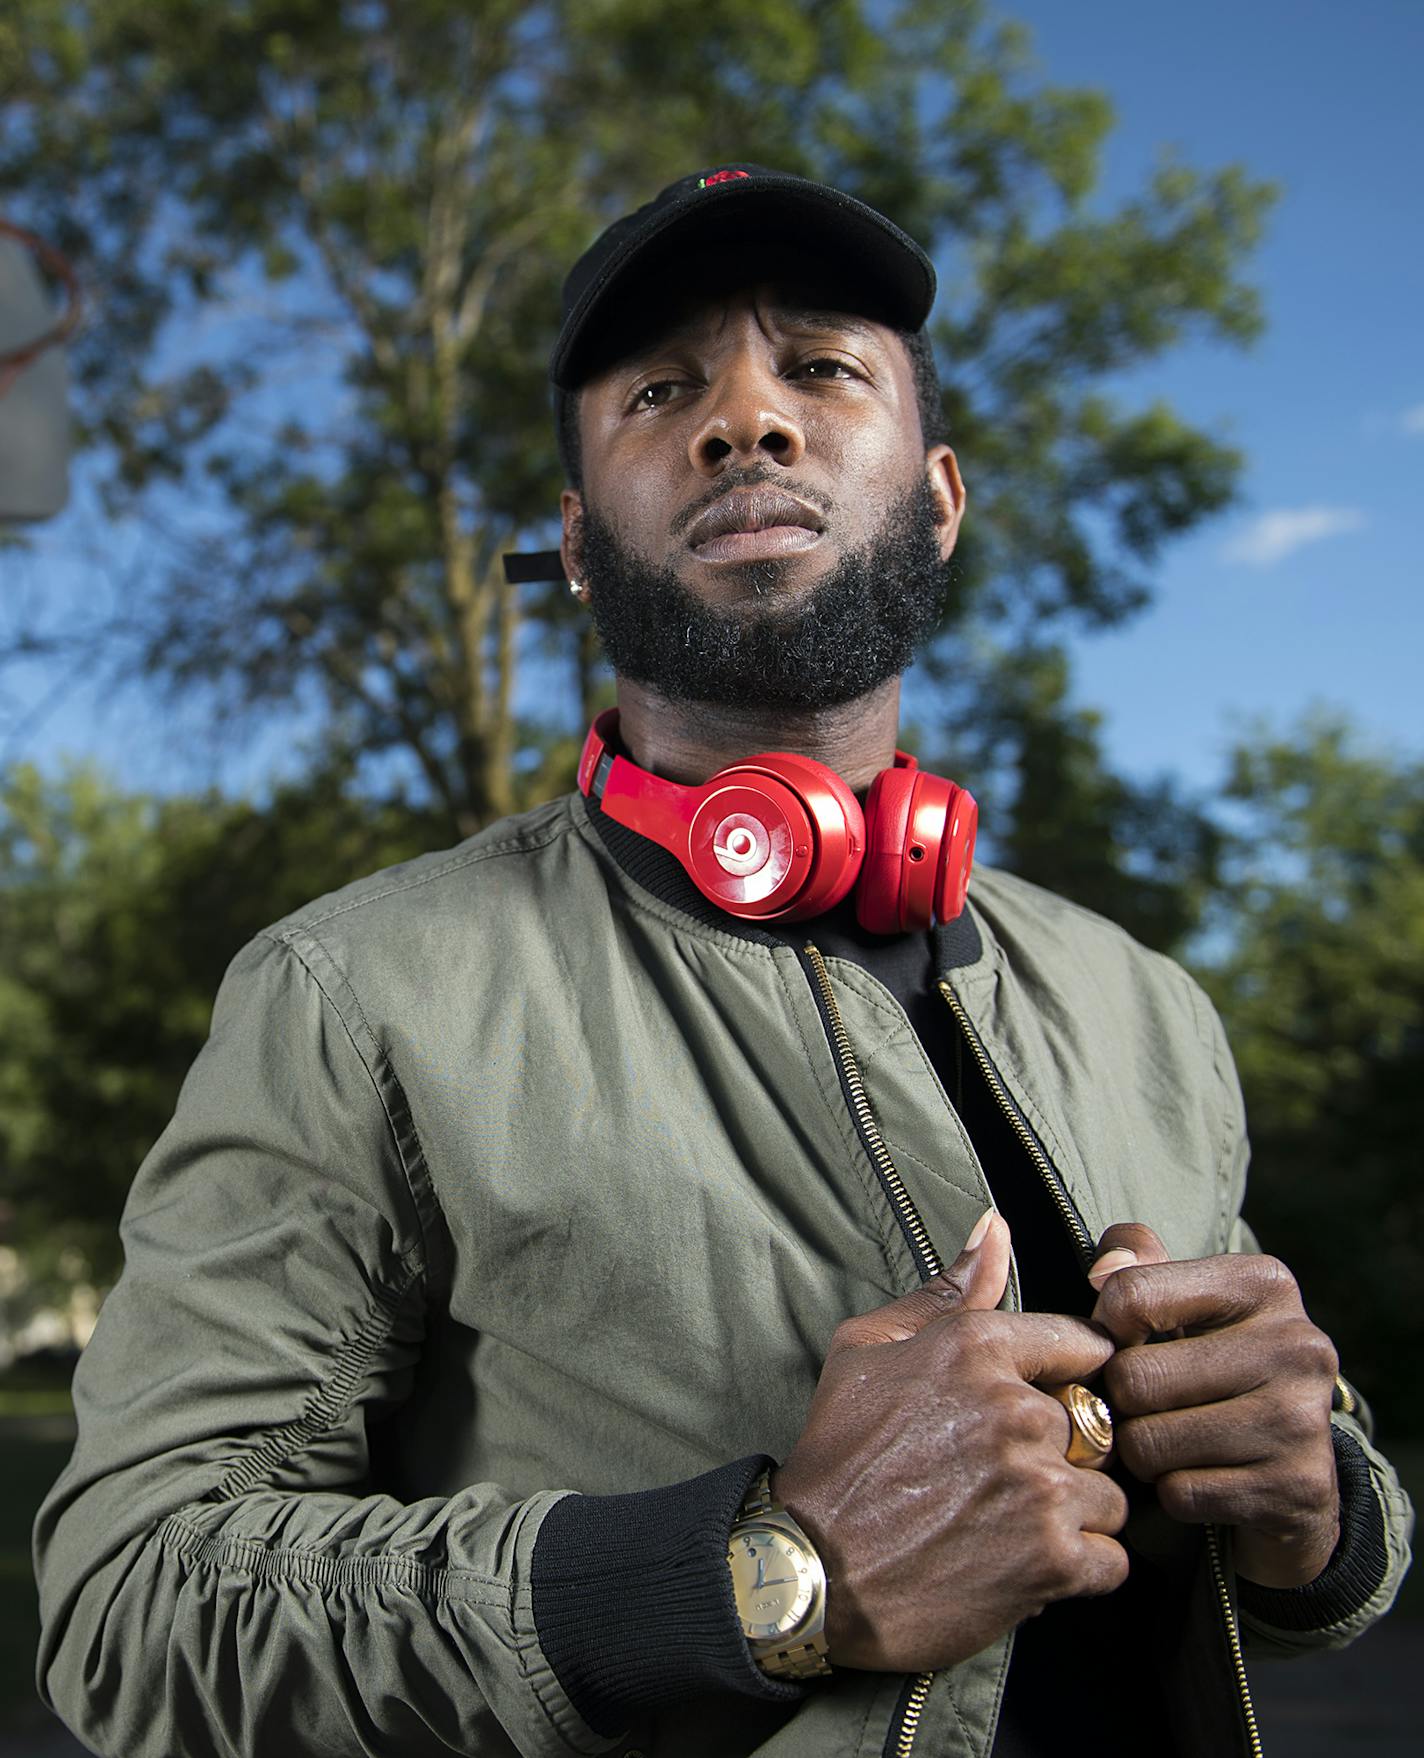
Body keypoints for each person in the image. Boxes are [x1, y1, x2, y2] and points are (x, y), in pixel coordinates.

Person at [35, 164, 1411, 1758]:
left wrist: (1322, 1514)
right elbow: (132, 1605)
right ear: (574, 537)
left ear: (943, 494)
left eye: (822, 368)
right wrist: (771, 1574)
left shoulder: (1142, 1001)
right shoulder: (353, 998)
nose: (744, 420)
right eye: (662, 391)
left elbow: (1323, 1541)